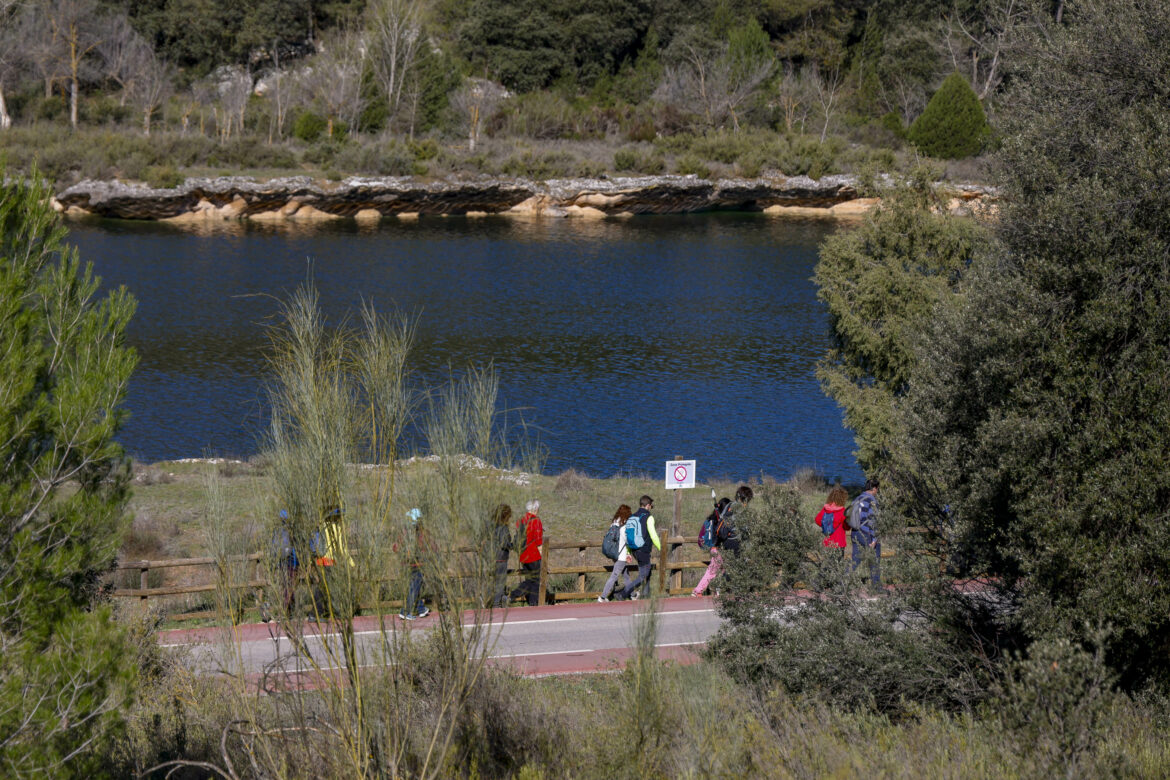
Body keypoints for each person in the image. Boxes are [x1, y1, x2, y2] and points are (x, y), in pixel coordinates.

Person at [309, 504, 354, 620]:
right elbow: (342, 548)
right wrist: (351, 563)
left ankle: (314, 614)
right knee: (334, 588)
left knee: (322, 588)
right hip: (330, 562)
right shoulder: (336, 528)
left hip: (320, 561)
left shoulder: (322, 526)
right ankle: (338, 613)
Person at [615, 495, 660, 601]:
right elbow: (653, 535)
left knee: (646, 571)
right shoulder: (649, 517)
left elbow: (629, 535)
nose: (651, 508)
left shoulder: (633, 516)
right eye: (651, 506)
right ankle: (623, 593)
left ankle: (646, 594)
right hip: (643, 549)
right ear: (648, 505)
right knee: (643, 576)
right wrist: (661, 548)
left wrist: (629, 552)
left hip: (634, 549)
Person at [692, 497, 731, 597]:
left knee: (724, 570)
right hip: (719, 549)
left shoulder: (710, 520)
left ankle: (719, 590)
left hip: (712, 549)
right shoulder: (722, 520)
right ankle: (698, 590)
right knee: (713, 571)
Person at [397, 508, 432, 620]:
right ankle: (404, 611)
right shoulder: (419, 532)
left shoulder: (405, 532)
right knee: (414, 587)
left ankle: (421, 609)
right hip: (417, 564)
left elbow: (396, 547)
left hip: (406, 564)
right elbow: (427, 546)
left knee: (415, 587)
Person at [510, 499, 544, 606]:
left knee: (529, 580)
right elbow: (538, 540)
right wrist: (541, 555)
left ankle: (512, 596)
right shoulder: (536, 521)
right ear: (535, 509)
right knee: (536, 580)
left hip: (523, 554)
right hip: (533, 554)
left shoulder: (521, 520)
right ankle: (533, 603)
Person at [598, 504, 635, 602]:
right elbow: (627, 541)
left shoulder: (614, 523)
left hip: (614, 553)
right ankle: (602, 597)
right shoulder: (624, 526)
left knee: (625, 575)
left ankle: (633, 595)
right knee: (614, 576)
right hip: (621, 555)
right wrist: (629, 552)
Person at [849, 478, 881, 586]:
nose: (877, 492)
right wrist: (874, 538)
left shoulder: (857, 498)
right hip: (866, 533)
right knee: (875, 558)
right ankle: (876, 586)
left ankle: (841, 583)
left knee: (855, 560)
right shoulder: (871, 500)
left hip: (855, 531)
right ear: (874, 488)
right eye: (877, 489)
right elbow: (873, 520)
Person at [486, 504, 513, 608]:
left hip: (491, 556)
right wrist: (512, 545)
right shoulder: (503, 528)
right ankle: (496, 604)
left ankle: (487, 599)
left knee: (493, 581)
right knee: (500, 582)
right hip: (501, 558)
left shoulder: (491, 526)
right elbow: (504, 543)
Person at [815, 485, 849, 556]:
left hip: (827, 542)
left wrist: (825, 525)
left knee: (828, 564)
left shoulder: (825, 508)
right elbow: (847, 527)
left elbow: (817, 520)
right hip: (839, 542)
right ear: (843, 498)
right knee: (838, 565)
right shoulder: (842, 511)